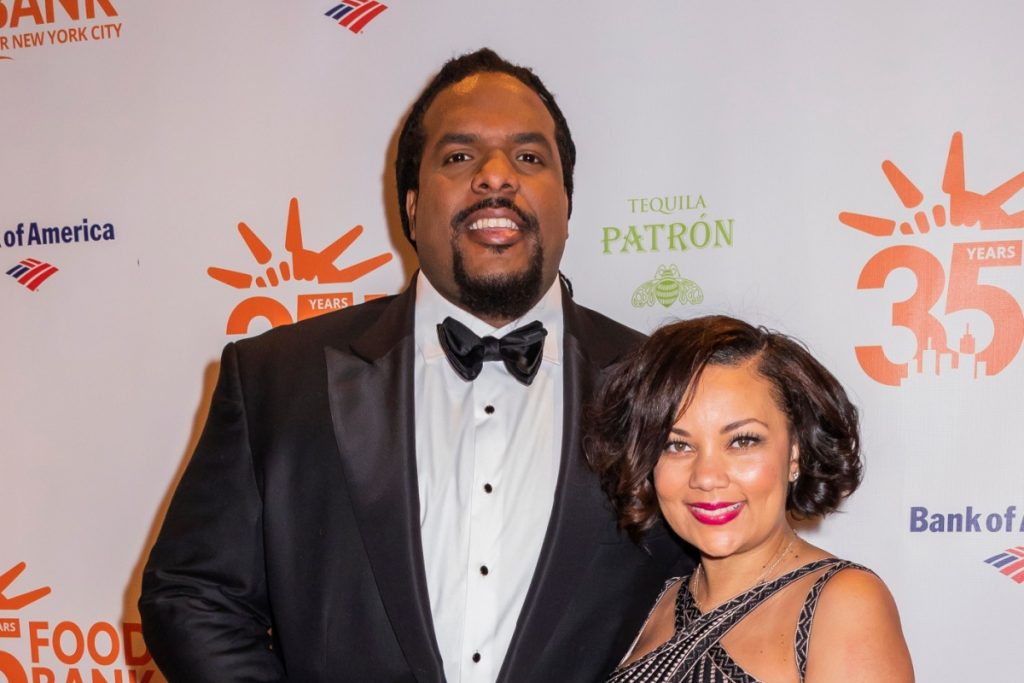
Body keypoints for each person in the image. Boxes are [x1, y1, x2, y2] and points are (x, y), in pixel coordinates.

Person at [138, 48, 691, 683]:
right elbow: (192, 594)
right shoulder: (274, 380)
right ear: (408, 204)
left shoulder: (665, 385)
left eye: (529, 158)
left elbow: (723, 600)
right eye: (459, 157)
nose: (495, 177)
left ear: (567, 201)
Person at [586, 316, 914, 682]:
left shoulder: (842, 603)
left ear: (794, 452)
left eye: (742, 441)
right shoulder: (650, 602)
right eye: (677, 445)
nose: (707, 477)